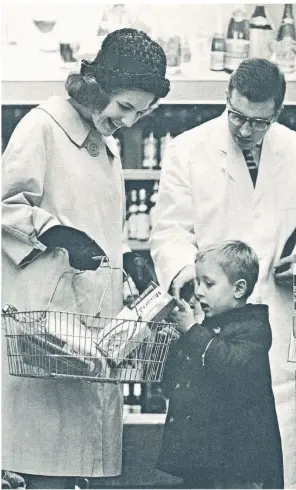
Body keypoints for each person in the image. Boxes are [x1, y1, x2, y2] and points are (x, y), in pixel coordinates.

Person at [150, 58, 296, 488]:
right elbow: (169, 230)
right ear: (226, 99)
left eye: (258, 121)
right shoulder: (187, 149)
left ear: (277, 112)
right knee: (215, 465)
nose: (244, 130)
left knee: (278, 458)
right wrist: (186, 276)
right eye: (236, 116)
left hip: (280, 320)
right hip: (215, 325)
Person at [2, 28, 170, 489]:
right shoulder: (42, 127)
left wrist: (126, 260)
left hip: (89, 338)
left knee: (74, 471)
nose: (130, 121)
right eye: (124, 107)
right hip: (43, 335)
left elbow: (96, 224)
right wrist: (52, 231)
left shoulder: (106, 144)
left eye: (141, 112)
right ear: (97, 88)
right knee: (44, 470)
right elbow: (4, 206)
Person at [157, 241, 283, 489]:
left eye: (209, 284)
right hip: (203, 460)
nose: (199, 292)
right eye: (198, 283)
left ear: (239, 289)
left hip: (240, 464)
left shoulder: (254, 328)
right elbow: (175, 382)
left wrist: (191, 332)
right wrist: (174, 343)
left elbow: (230, 364)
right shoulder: (206, 328)